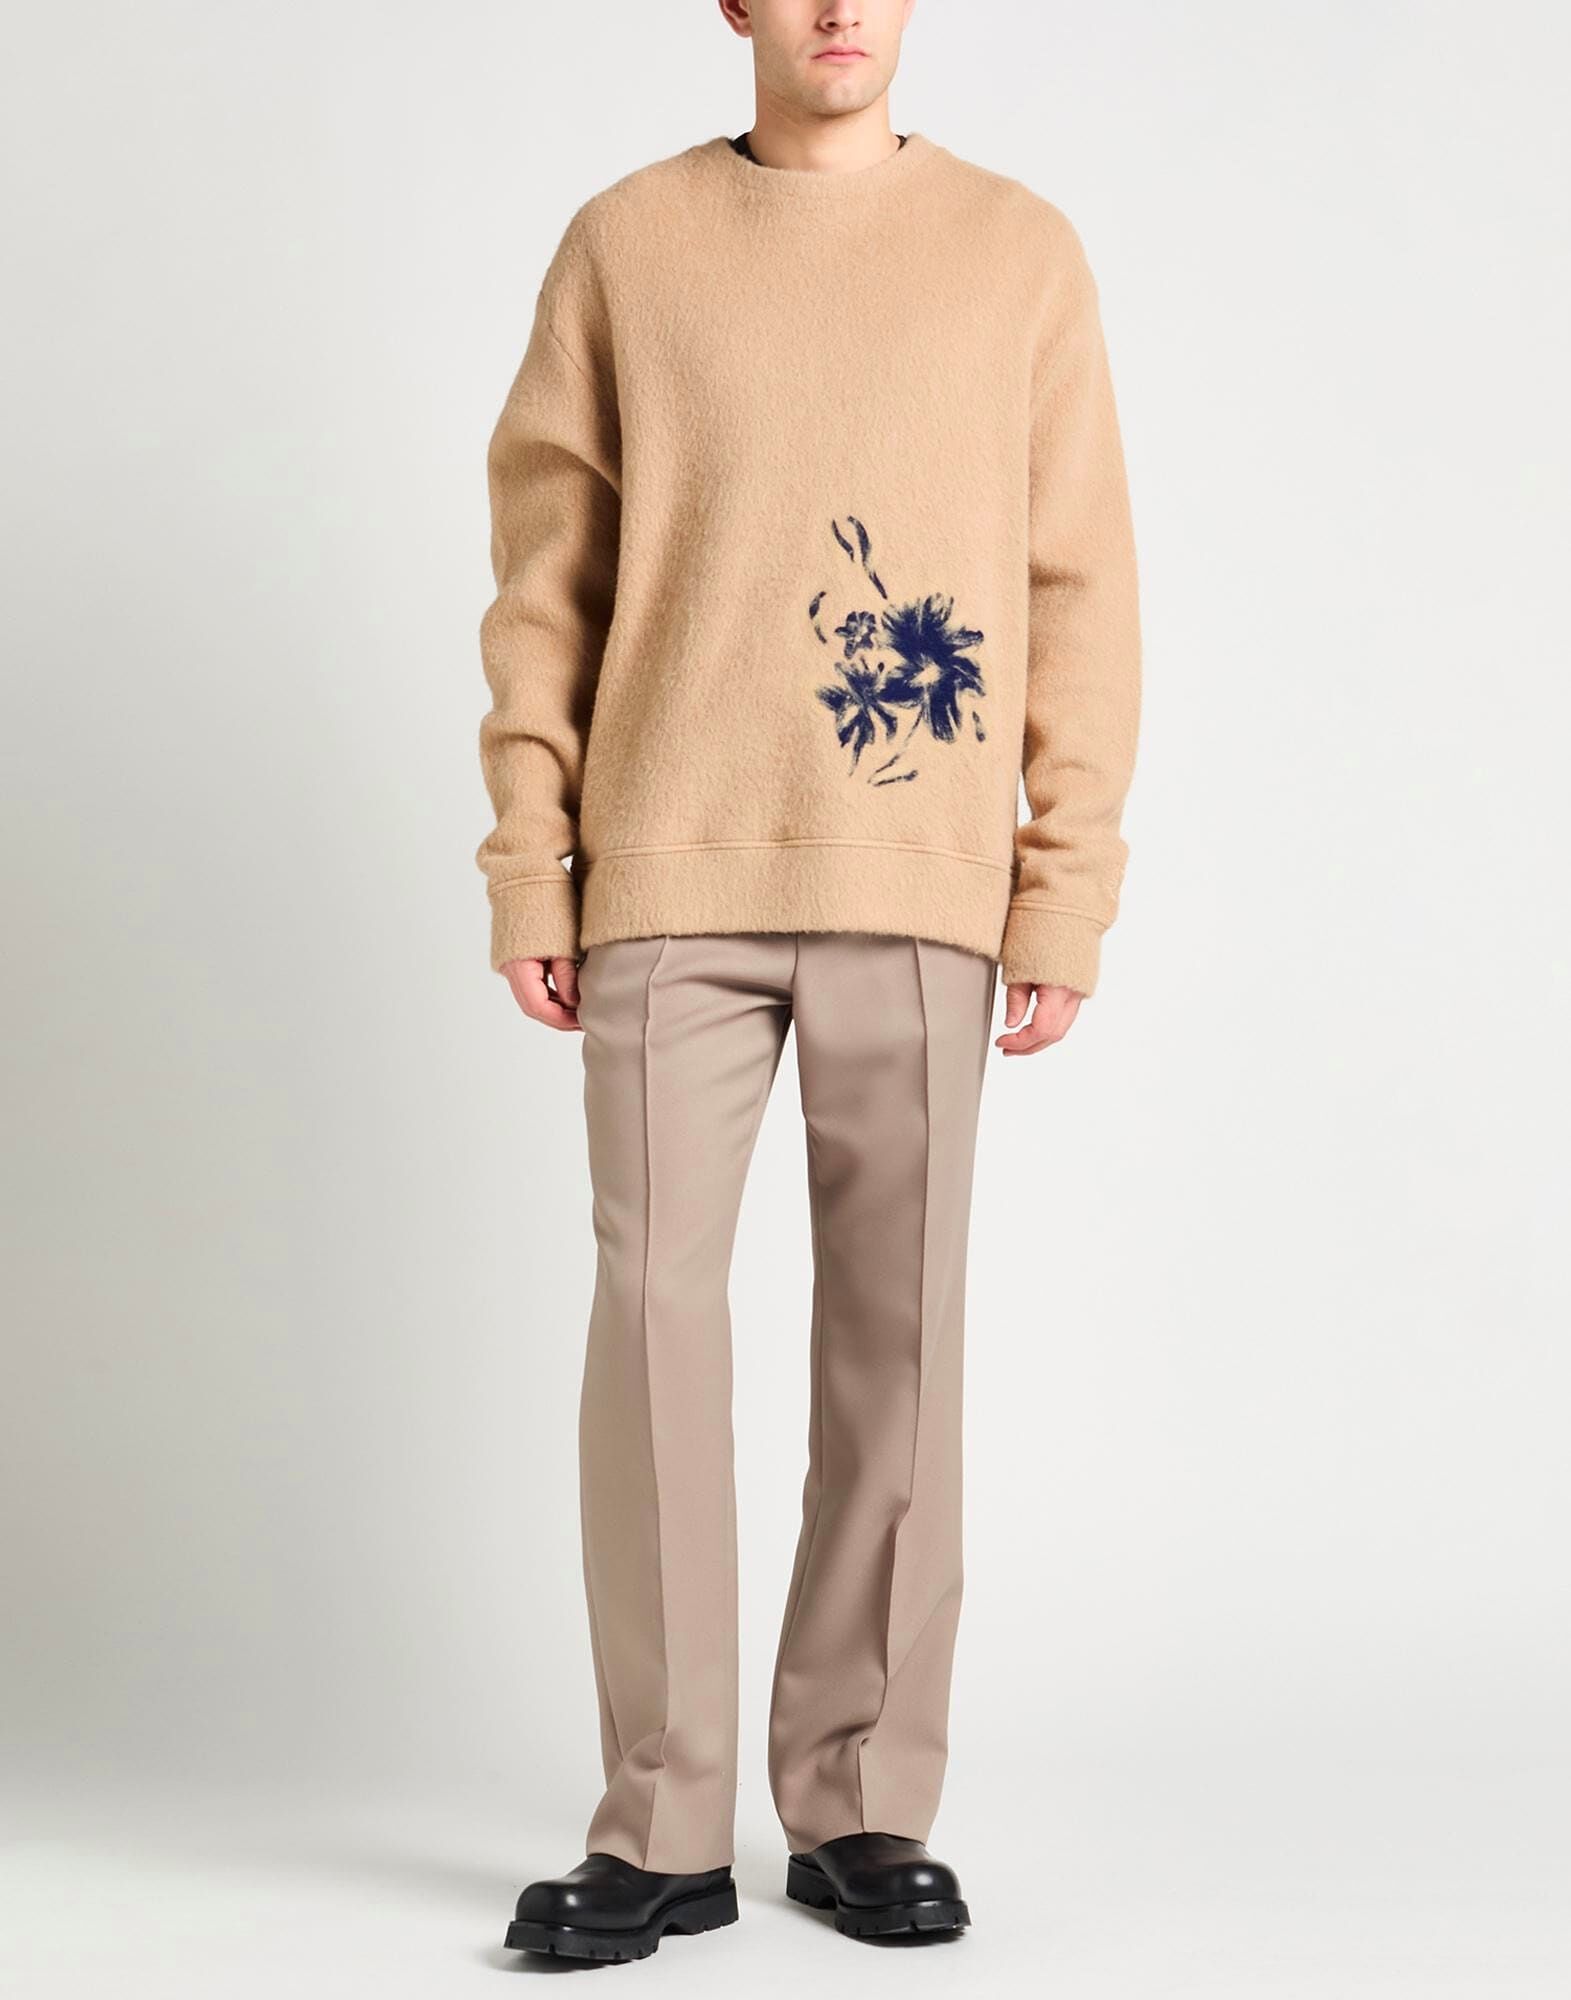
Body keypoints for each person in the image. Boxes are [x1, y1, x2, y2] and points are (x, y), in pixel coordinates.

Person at [474, 0, 1140, 1962]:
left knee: (897, 1349)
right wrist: (532, 855)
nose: (841, 3)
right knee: (653, 1331)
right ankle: (662, 1820)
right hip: (665, 870)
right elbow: (545, 582)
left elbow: (1080, 590)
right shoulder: (628, 244)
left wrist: (1064, 888)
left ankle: (859, 1800)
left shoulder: (1018, 254)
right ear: (735, 4)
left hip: (916, 875)